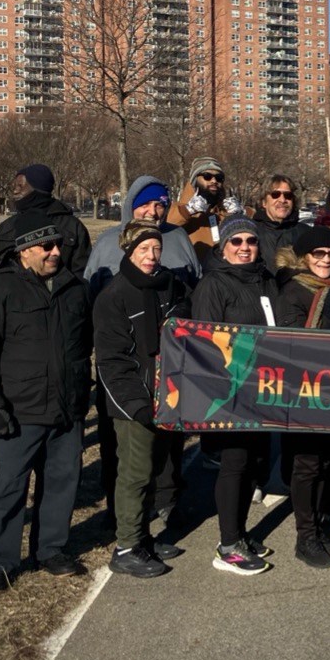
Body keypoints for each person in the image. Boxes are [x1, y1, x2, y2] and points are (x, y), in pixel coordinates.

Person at [0, 210, 93, 594]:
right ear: (24, 252)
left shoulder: (74, 287)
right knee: (6, 488)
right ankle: (0, 562)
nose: (55, 251)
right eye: (46, 246)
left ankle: (50, 548)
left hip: (65, 407)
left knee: (61, 482)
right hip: (18, 410)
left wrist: (80, 392)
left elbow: (83, 343)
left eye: (58, 244)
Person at [93, 221, 191, 579]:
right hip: (133, 402)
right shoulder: (113, 297)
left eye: (156, 249)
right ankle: (127, 547)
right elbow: (113, 361)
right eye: (143, 250)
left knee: (155, 470)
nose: (151, 257)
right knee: (134, 474)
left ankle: (145, 536)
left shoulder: (170, 286)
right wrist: (136, 405)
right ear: (128, 251)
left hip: (169, 395)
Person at [187, 215, 281, 574]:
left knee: (256, 462)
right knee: (236, 462)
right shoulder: (214, 284)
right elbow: (207, 341)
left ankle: (239, 533)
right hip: (232, 388)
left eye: (250, 241)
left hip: (264, 386)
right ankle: (228, 545)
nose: (245, 248)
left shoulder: (265, 280)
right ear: (223, 248)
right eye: (236, 242)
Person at [276, 225, 330, 569]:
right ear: (305, 258)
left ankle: (323, 528)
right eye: (318, 254)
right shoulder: (294, 290)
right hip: (305, 387)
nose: (325, 260)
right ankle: (305, 536)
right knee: (307, 464)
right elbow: (290, 341)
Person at [86, 174, 200, 297]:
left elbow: (197, 283)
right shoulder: (107, 241)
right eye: (145, 204)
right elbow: (89, 291)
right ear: (131, 206)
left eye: (159, 205)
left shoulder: (179, 236)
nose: (152, 212)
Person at [0, 163, 91, 276]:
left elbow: (83, 274)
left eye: (20, 186)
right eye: (15, 186)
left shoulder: (72, 227)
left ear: (39, 188)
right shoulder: (5, 228)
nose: (15, 191)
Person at [170, 157, 245, 263]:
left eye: (218, 178)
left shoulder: (225, 212)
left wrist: (239, 218)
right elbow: (166, 226)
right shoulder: (179, 209)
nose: (214, 181)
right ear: (194, 180)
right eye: (207, 176)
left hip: (225, 274)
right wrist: (188, 210)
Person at [251, 174, 303, 275]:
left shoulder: (305, 233)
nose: (282, 200)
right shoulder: (251, 232)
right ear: (264, 202)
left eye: (288, 195)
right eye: (275, 195)